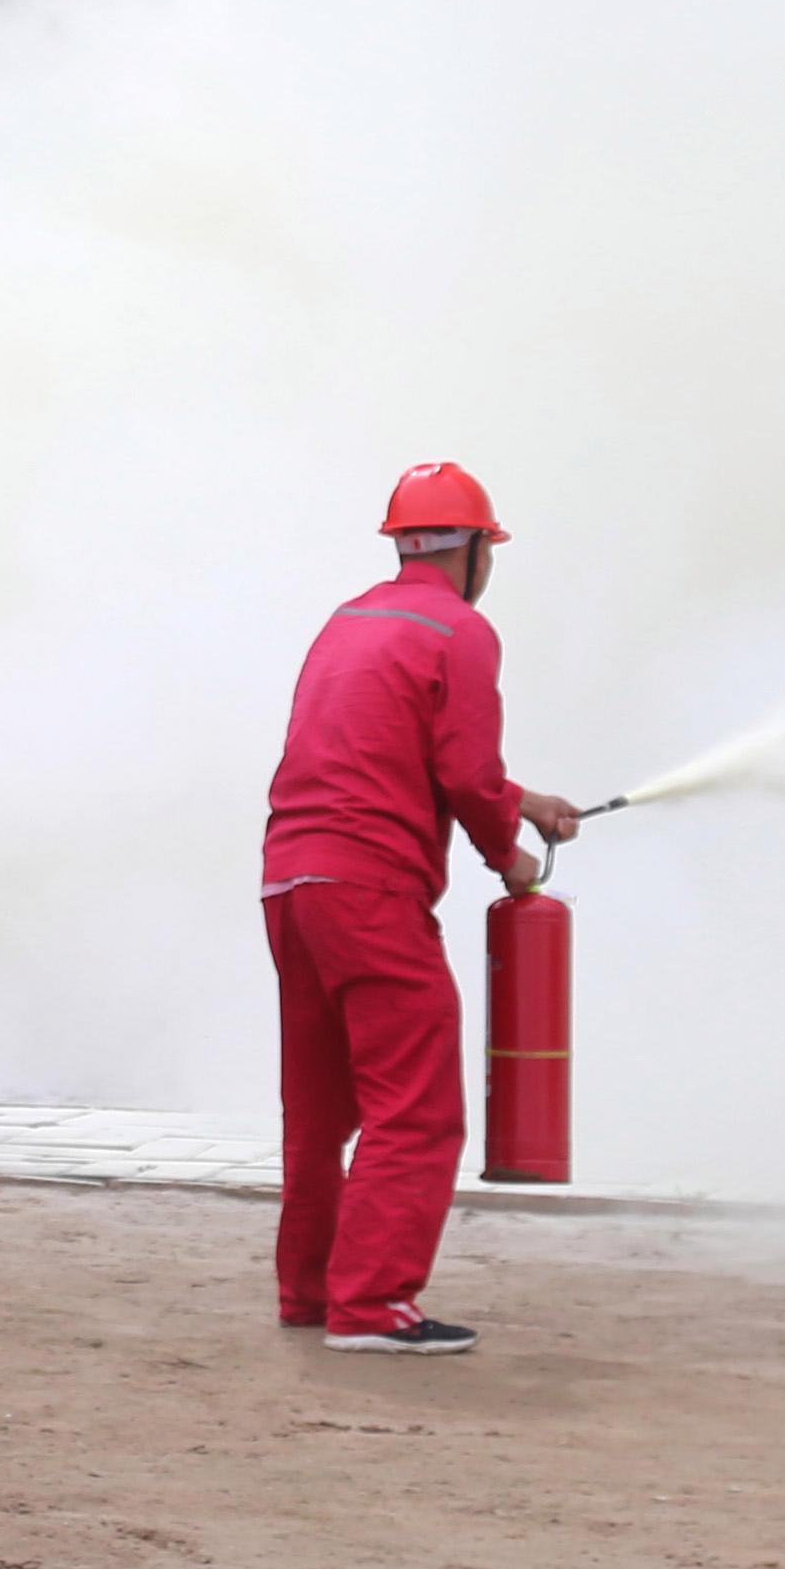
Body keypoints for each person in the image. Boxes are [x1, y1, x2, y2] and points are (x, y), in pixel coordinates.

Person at [262, 460, 584, 1358]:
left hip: (291, 882)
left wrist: (525, 801)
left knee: (320, 1107)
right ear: (476, 547)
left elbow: (394, 746)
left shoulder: (351, 621)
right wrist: (510, 857)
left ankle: (313, 1292)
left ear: (404, 542)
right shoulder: (461, 632)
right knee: (418, 1105)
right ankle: (372, 1308)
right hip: (372, 891)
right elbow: (464, 772)